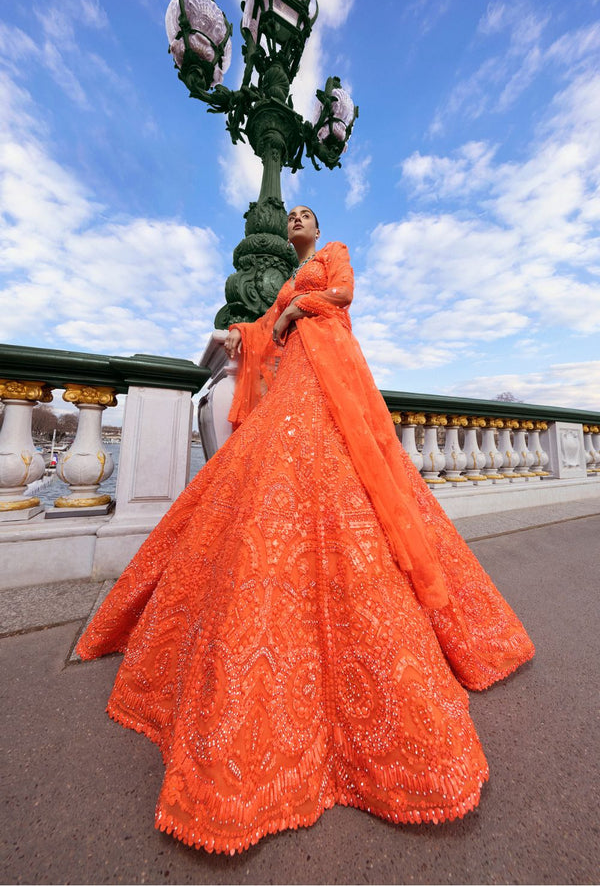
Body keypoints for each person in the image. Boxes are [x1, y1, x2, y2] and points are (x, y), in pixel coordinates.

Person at [76, 205, 534, 855]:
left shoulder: (332, 255)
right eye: (291, 213)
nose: (296, 219)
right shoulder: (289, 283)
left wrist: (293, 313)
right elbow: (264, 330)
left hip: (330, 377)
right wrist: (248, 330)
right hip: (292, 383)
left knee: (345, 493)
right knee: (263, 495)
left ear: (317, 230)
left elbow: (342, 295)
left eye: (305, 214)